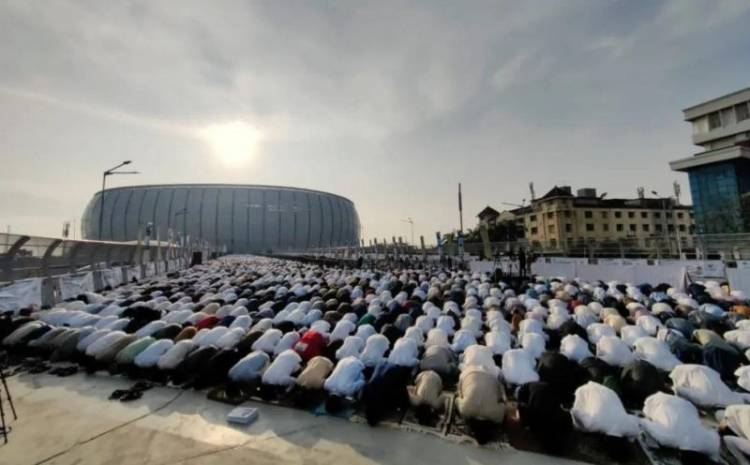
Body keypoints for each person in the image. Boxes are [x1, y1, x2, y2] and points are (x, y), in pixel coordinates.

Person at [456, 366, 507, 444]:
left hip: (478, 376)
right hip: (469, 375)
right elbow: (457, 399)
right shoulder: (465, 411)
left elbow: (504, 405)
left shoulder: (498, 417)